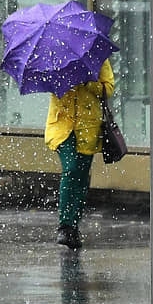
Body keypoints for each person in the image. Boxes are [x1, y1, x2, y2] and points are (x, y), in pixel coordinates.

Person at [44, 59, 115, 249]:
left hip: (87, 129)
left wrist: (87, 82)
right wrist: (62, 76)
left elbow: (108, 89)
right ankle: (65, 225)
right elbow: (49, 85)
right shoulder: (54, 56)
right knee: (71, 169)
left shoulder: (97, 56)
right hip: (63, 127)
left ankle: (73, 227)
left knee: (82, 177)